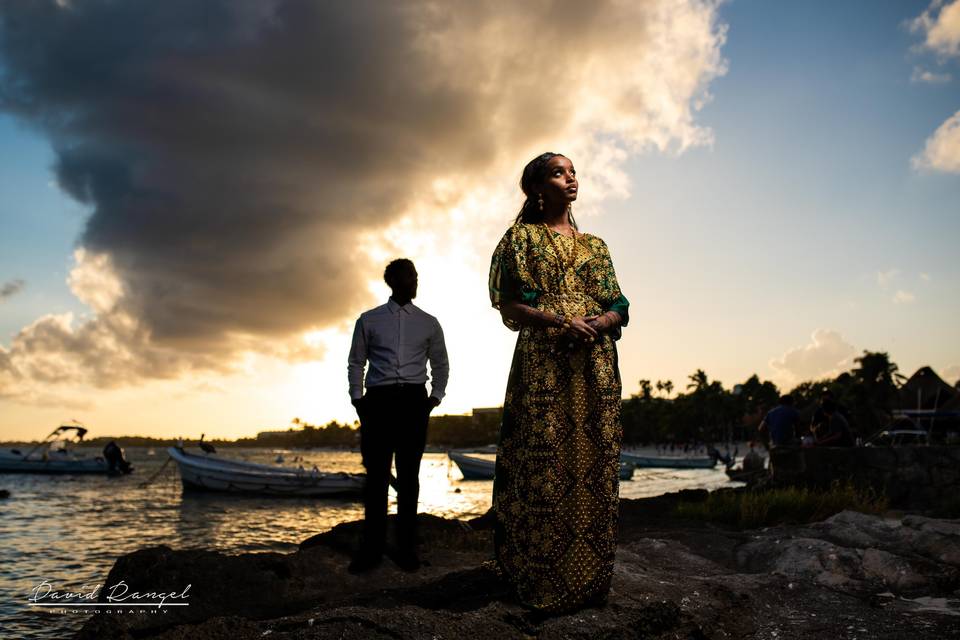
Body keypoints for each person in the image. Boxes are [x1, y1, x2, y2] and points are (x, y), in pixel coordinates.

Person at [488, 152, 629, 613]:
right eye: (558, 172)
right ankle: (539, 575)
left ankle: (589, 578)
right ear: (536, 188)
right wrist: (558, 320)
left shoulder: (596, 246)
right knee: (544, 459)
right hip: (545, 361)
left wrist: (599, 321)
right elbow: (509, 304)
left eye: (572, 172)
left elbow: (620, 305)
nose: (571, 179)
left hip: (595, 362)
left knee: (595, 458)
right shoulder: (520, 239)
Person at [347, 258, 449, 573]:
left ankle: (406, 550)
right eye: (409, 276)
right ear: (394, 281)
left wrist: (434, 397)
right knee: (376, 478)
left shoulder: (429, 322)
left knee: (409, 478)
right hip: (377, 402)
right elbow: (356, 362)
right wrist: (357, 399)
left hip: (414, 402)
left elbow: (441, 363)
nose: (415, 281)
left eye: (416, 275)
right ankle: (372, 551)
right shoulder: (369, 320)